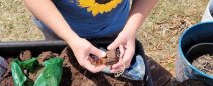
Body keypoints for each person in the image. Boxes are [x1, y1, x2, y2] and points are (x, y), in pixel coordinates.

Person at [23, 0, 157, 73]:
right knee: (64, 65)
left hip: (114, 28)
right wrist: (71, 38)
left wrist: (130, 29)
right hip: (59, 29)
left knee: (109, 59)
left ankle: (106, 69)